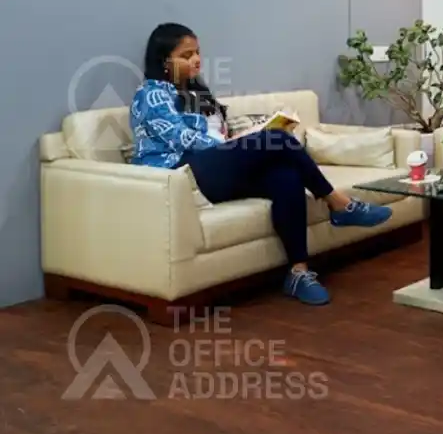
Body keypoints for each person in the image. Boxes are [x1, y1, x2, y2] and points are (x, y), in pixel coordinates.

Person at [128, 23, 392, 305]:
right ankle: (339, 204)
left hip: (212, 169)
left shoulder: (197, 93)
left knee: (286, 176)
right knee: (276, 140)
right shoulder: (152, 94)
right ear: (164, 61)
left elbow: (217, 135)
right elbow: (185, 139)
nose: (196, 60)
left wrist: (242, 137)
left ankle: (299, 272)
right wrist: (241, 144)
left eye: (198, 52)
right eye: (186, 55)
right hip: (182, 173)